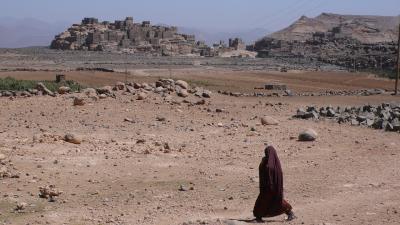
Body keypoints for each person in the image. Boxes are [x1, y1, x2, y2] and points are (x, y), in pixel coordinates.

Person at [253, 146, 295, 222]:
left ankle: (259, 217)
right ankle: (290, 213)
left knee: (266, 202)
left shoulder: (270, 165)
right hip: (268, 187)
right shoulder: (272, 163)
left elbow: (271, 174)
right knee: (275, 201)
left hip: (270, 188)